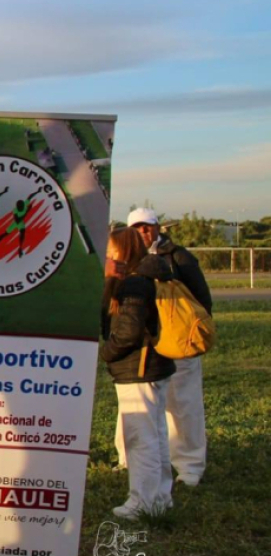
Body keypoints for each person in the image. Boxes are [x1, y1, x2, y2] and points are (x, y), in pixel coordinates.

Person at [124, 207, 210, 487]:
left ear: (158, 227)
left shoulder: (179, 257)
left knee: (184, 404)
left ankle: (189, 466)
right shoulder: (125, 257)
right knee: (137, 404)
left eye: (147, 226)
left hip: (176, 342)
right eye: (137, 227)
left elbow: (202, 300)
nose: (143, 231)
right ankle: (128, 458)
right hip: (142, 345)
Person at [101, 227, 175, 520]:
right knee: (156, 434)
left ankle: (142, 501)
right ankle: (160, 497)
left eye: (111, 249)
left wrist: (106, 353)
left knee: (140, 437)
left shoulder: (134, 284)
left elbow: (129, 330)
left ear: (123, 250)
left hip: (138, 367)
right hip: (153, 366)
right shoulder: (149, 276)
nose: (108, 255)